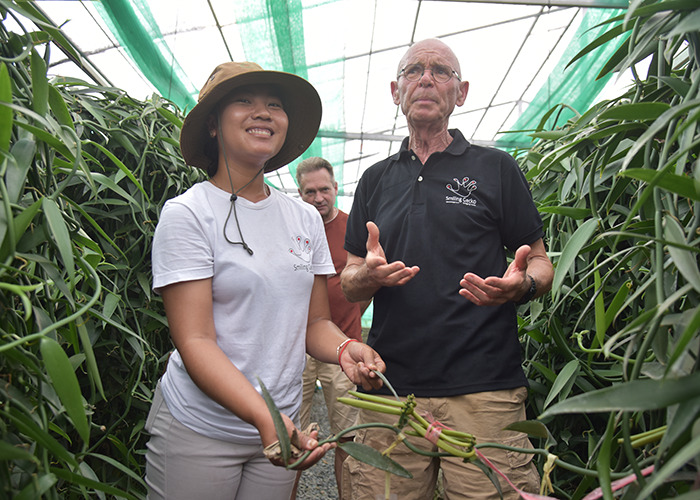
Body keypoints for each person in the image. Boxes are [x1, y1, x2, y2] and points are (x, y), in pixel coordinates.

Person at [144, 61, 385, 500]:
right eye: (245, 101)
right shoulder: (189, 214)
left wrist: (347, 348)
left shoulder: (303, 219)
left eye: (274, 104)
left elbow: (313, 323)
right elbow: (195, 339)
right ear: (213, 125)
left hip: (282, 421)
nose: (263, 112)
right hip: (203, 428)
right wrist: (264, 415)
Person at [339, 39, 554, 500]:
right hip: (390, 389)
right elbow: (350, 278)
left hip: (484, 392)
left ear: (462, 92)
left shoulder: (495, 167)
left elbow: (539, 259)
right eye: (414, 70)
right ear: (395, 91)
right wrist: (367, 277)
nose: (426, 78)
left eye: (442, 71)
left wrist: (523, 284)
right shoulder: (375, 179)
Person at [292, 157, 372, 499]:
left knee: (349, 434)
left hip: (344, 344)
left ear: (336, 188)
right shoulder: (292, 226)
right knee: (291, 434)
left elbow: (366, 284)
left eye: (324, 189)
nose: (318, 197)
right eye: (310, 191)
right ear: (300, 193)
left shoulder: (353, 228)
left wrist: (352, 315)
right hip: (296, 348)